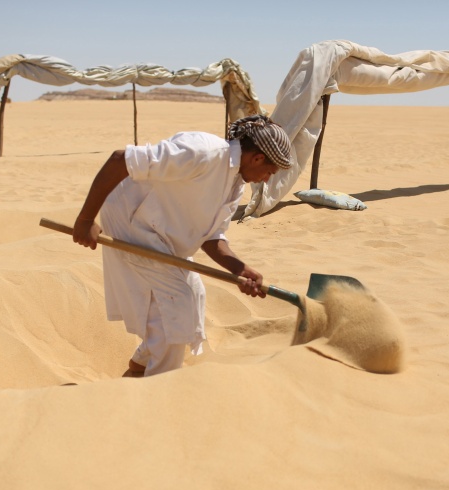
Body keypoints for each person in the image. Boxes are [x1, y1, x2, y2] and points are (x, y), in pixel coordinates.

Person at [72, 114, 292, 378]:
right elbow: (121, 160)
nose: (266, 179)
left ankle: (141, 364)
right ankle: (159, 383)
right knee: (176, 306)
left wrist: (239, 268)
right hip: (132, 223)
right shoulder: (203, 151)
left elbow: (211, 238)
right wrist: (85, 220)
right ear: (256, 158)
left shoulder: (235, 184)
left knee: (194, 292)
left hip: (162, 235)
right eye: (270, 171)